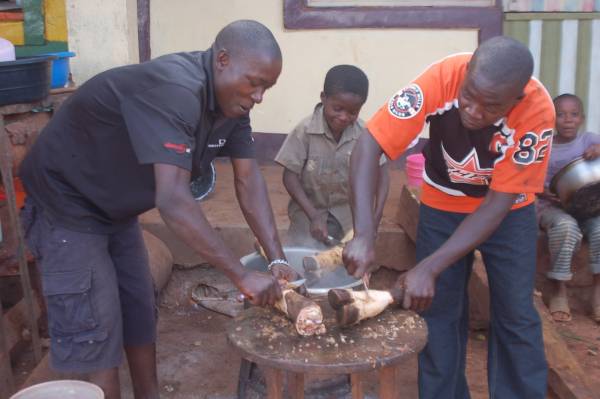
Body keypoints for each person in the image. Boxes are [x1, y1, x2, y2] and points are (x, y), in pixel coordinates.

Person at [19, 20, 299, 399]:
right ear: (222, 60)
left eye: (268, 86)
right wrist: (240, 275)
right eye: (255, 82)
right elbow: (172, 199)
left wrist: (277, 261)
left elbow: (249, 183)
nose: (260, 95)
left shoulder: (233, 106)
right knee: (94, 334)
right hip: (67, 201)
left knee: (138, 309)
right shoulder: (176, 90)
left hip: (115, 208)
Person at [343, 36, 554, 398]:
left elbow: (496, 205)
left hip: (508, 211)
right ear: (467, 71)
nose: (472, 110)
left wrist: (428, 266)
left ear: (515, 100)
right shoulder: (439, 78)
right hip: (443, 203)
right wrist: (363, 232)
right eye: (468, 95)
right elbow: (370, 143)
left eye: (490, 107)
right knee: (437, 311)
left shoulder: (537, 111)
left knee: (516, 314)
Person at [275, 64, 389, 248]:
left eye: (352, 112)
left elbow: (383, 175)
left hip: (348, 219)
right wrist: (313, 215)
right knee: (301, 259)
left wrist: (375, 217)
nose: (344, 117)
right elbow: (289, 177)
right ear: (323, 98)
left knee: (344, 265)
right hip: (306, 215)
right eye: (337, 108)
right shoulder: (304, 131)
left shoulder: (365, 135)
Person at [537, 93, 600, 323]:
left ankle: (597, 291)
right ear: (553, 119)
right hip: (553, 207)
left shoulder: (588, 140)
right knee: (566, 227)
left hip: (590, 206)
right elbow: (531, 179)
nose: (568, 120)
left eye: (573, 115)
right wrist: (543, 191)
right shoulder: (546, 147)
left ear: (581, 119)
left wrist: (598, 149)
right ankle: (559, 289)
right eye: (561, 115)